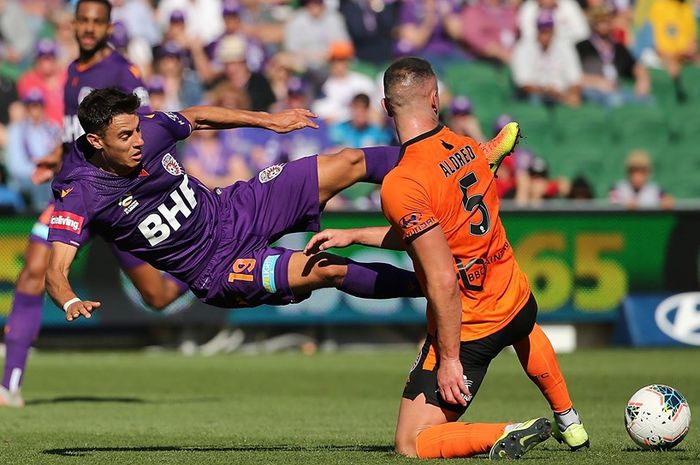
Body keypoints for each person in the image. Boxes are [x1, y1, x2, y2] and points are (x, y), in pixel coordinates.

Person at [304, 57, 589, 459]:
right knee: (524, 332)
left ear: (386, 108)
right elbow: (436, 235)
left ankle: (508, 431)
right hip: (516, 298)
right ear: (435, 98)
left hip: (471, 326)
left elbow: (440, 276)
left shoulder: (402, 182)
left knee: (412, 442)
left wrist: (450, 359)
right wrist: (354, 235)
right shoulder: (468, 147)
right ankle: (571, 422)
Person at [0, 0, 189, 408]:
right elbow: (81, 135)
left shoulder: (123, 73)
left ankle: (204, 272)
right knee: (34, 272)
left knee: (157, 296)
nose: (88, 28)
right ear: (73, 24)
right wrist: (57, 154)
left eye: (96, 21)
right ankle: (9, 385)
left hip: (119, 199)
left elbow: (144, 134)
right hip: (78, 196)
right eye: (82, 20)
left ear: (108, 26)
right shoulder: (72, 70)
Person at [576, 6, 651, 108]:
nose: (604, 25)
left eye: (607, 21)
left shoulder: (618, 47)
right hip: (592, 90)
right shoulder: (582, 47)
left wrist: (642, 78)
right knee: (615, 100)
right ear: (593, 24)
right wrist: (598, 82)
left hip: (616, 89)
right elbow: (573, 76)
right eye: (600, 22)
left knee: (648, 102)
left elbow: (635, 66)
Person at [511, 10, 583, 107]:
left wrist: (572, 94)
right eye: (542, 31)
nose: (545, 35)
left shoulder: (564, 46)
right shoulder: (524, 47)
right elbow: (523, 84)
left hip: (562, 95)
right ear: (537, 30)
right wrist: (547, 91)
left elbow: (575, 79)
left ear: (553, 31)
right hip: (536, 96)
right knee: (535, 100)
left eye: (548, 31)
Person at [609, 150, 674, 209]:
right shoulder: (618, 187)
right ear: (628, 172)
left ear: (648, 172)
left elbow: (667, 200)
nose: (637, 175)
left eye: (642, 171)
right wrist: (624, 206)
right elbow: (613, 204)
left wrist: (667, 201)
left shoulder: (656, 189)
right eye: (634, 171)